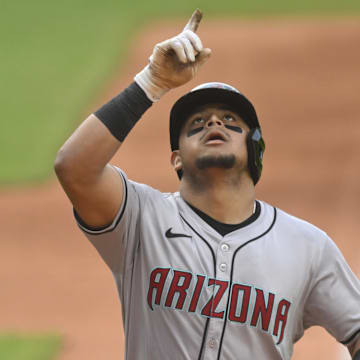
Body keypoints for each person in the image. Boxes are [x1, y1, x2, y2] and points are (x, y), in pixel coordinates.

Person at [54, 9, 360, 360]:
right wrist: (153, 80)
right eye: (196, 123)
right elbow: (74, 167)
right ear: (176, 159)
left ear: (254, 147)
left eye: (231, 120)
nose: (214, 122)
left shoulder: (308, 247)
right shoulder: (140, 220)